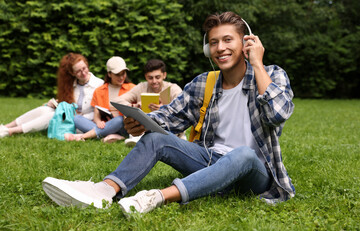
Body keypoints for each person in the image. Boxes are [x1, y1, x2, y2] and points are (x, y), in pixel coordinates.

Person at [42, 11, 295, 214]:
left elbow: (276, 115)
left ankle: (157, 197)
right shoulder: (204, 83)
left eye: (228, 40)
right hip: (210, 161)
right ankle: (105, 190)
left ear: (246, 42)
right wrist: (142, 122)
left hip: (253, 172)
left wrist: (257, 63)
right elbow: (171, 116)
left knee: (243, 154)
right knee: (156, 138)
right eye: (214, 42)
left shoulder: (271, 74)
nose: (220, 48)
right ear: (208, 50)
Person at [0, 53, 104, 138]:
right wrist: (53, 103)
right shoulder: (72, 84)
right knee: (44, 110)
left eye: (84, 68)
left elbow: (101, 111)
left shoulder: (99, 84)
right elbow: (67, 103)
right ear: (72, 73)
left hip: (82, 122)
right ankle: (5, 126)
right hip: (68, 116)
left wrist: (82, 117)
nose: (83, 73)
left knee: (52, 116)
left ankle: (10, 131)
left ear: (87, 65)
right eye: (78, 71)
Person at [64, 56, 135, 143]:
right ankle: (111, 135)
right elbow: (96, 113)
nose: (121, 77)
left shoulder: (132, 88)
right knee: (77, 119)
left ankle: (84, 136)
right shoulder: (99, 91)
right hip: (104, 126)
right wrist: (98, 122)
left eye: (123, 73)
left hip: (123, 126)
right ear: (109, 74)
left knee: (119, 120)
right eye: (117, 74)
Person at [116, 59, 183, 146]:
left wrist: (163, 108)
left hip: (168, 126)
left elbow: (183, 108)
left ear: (164, 75)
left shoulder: (173, 88)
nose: (154, 81)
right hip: (145, 126)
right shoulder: (141, 87)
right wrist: (134, 105)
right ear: (146, 77)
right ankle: (140, 138)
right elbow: (117, 100)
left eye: (157, 77)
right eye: (150, 78)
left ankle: (174, 138)